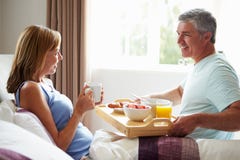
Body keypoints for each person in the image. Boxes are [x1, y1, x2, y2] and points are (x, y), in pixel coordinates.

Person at [140, 8, 240, 140]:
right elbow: (180, 93)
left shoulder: (218, 70)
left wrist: (197, 120)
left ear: (206, 36)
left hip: (197, 148)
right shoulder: (203, 64)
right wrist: (145, 100)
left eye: (186, 34)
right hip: (182, 142)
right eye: (178, 34)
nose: (178, 41)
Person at [6, 25, 102, 160]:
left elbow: (67, 124)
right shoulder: (30, 90)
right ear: (40, 55)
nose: (61, 57)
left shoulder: (45, 83)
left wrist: (84, 105)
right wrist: (79, 111)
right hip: (84, 156)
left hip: (92, 147)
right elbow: (58, 145)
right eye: (56, 52)